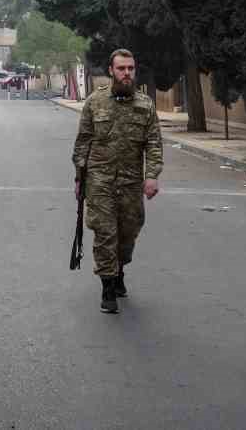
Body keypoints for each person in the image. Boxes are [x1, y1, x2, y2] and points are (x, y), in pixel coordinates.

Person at [71, 49, 162, 314]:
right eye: (121, 68)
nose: (126, 73)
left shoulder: (145, 105)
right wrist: (80, 177)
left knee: (128, 234)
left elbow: (154, 143)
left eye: (130, 69)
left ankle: (120, 268)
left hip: (131, 182)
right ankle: (108, 287)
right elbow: (83, 142)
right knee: (105, 233)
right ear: (111, 70)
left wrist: (152, 175)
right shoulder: (94, 103)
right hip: (100, 181)